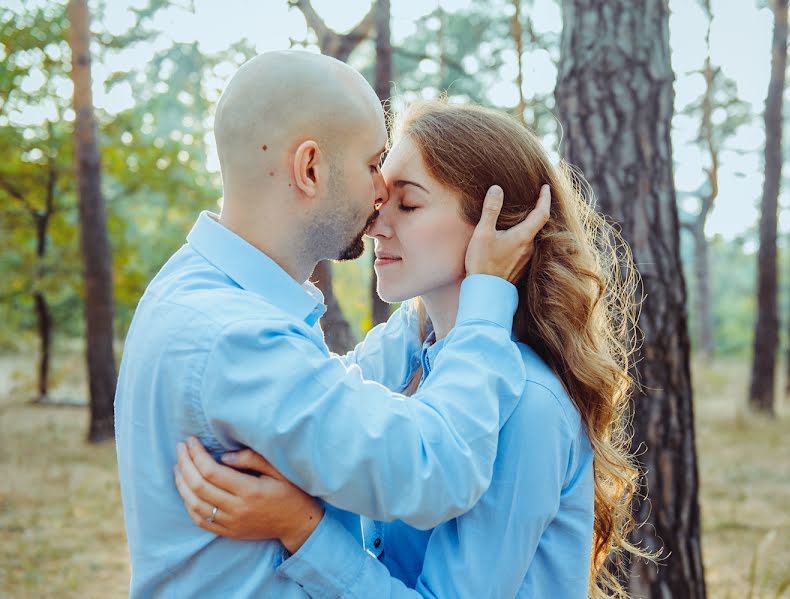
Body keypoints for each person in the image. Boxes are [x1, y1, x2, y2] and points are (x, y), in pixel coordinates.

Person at [174, 100, 660, 598]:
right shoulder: (411, 353)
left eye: (408, 204)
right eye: (380, 199)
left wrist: (301, 530)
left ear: (499, 229)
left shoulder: (530, 403)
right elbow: (313, 413)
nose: (374, 224)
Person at [114, 50, 551, 598]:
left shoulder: (195, 292)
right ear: (310, 168)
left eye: (408, 204)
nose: (379, 203)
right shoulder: (241, 338)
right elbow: (440, 468)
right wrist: (484, 297)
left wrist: (441, 301)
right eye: (373, 166)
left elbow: (334, 389)